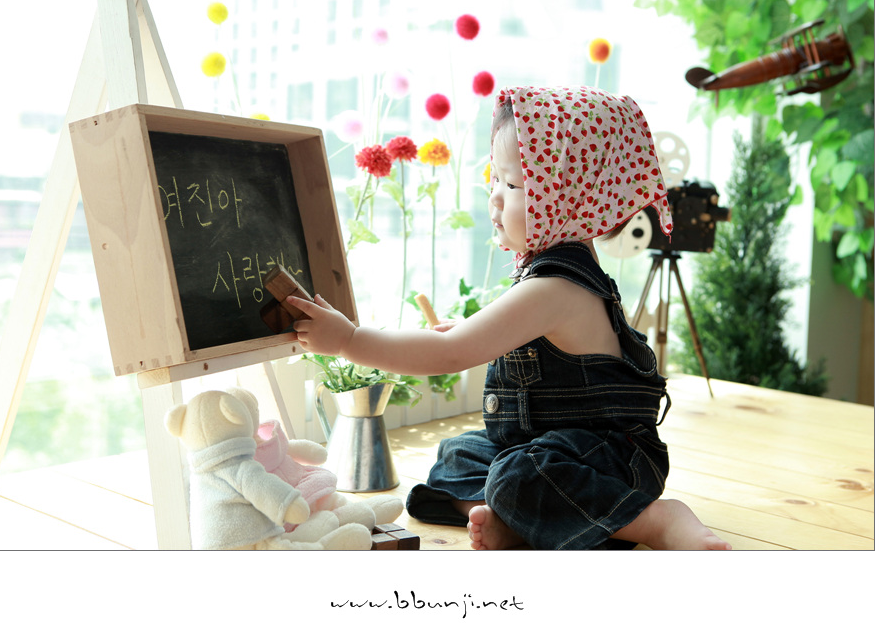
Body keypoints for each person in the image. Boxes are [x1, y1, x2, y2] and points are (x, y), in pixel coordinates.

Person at [288, 85, 731, 550]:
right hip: (544, 447)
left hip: (605, 463)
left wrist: (349, 340)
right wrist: (472, 330)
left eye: (515, 185)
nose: (496, 198)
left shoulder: (555, 287)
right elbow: (509, 335)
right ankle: (518, 518)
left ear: (571, 196)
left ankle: (654, 521)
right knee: (457, 456)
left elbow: (448, 354)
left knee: (519, 475)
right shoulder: (554, 270)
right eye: (495, 179)